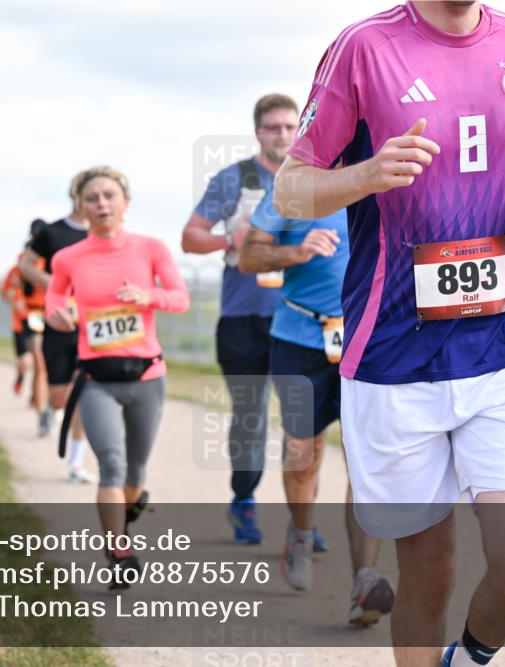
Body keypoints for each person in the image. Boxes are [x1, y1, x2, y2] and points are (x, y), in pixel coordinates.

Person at [273, 2, 505, 666]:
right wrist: (367, 174)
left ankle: (464, 658)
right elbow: (290, 191)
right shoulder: (364, 47)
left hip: (502, 347)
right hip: (393, 356)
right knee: (429, 571)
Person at [240, 192, 394, 626]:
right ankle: (301, 532)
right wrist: (296, 250)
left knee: (366, 461)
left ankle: (364, 580)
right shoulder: (293, 188)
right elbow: (248, 257)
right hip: (298, 340)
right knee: (302, 455)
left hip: (371, 340)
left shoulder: (388, 181)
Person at [182, 93, 328, 547]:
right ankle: (244, 502)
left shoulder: (316, 178)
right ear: (258, 131)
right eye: (272, 127)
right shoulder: (235, 179)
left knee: (303, 424)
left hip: (302, 319)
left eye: (289, 126)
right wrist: (233, 239)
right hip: (245, 315)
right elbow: (190, 237)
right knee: (250, 417)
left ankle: (302, 522)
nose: (282, 135)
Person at [47, 166, 189, 586]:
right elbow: (54, 302)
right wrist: (58, 316)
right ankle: (119, 548)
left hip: (147, 376)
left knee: (135, 473)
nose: (102, 204)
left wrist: (148, 296)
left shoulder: (151, 248)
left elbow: (180, 298)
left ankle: (130, 506)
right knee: (111, 465)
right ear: (80, 206)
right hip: (97, 381)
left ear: (125, 202)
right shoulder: (67, 258)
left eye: (109, 195)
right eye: (92, 198)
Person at [19, 177, 94, 482]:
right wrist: (53, 284)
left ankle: (76, 462)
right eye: (89, 195)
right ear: (76, 196)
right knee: (61, 395)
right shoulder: (52, 232)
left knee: (85, 390)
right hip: (61, 321)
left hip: (95, 325)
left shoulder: (106, 236)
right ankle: (51, 409)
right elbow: (27, 265)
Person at [3, 242, 49, 433]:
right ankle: (42, 415)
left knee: (40, 365)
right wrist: (18, 303)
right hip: (24, 321)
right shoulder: (18, 269)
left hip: (46, 318)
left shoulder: (49, 265)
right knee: (31, 362)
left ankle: (37, 397)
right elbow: (8, 290)